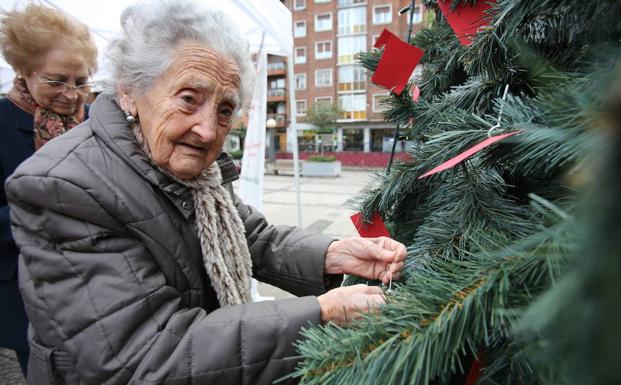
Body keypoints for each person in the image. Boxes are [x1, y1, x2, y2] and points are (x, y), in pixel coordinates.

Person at [6, 1, 407, 384]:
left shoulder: (198, 174)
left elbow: (251, 237)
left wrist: (335, 254)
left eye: (225, 109)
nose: (208, 130)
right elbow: (145, 357)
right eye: (188, 99)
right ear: (130, 91)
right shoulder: (64, 186)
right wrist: (321, 313)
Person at [0, 4, 97, 376]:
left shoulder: (92, 121)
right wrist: (54, 209)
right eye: (57, 81)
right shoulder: (2, 123)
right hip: (25, 289)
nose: (72, 94)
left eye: (81, 81)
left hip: (92, 280)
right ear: (23, 70)